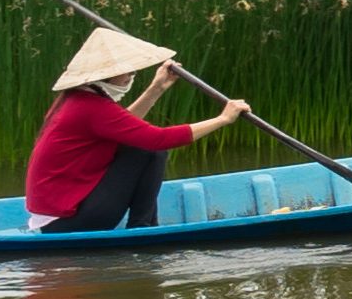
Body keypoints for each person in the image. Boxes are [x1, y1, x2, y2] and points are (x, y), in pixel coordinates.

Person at [25, 25, 245, 233]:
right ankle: (142, 228)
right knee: (151, 150)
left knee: (139, 146)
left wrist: (156, 88)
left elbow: (125, 127)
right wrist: (223, 119)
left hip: (58, 216)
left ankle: (143, 225)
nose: (131, 75)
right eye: (126, 71)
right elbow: (159, 139)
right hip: (66, 220)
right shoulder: (91, 107)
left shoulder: (76, 100)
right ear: (107, 75)